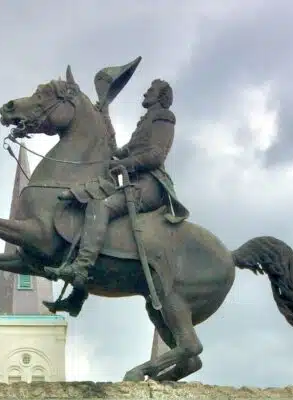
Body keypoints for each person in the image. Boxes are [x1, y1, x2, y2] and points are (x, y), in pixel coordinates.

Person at [45, 78, 189, 314]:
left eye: (151, 89)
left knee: (100, 207)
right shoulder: (145, 121)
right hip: (132, 182)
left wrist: (125, 163)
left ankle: (81, 268)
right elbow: (118, 152)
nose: (146, 92)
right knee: (84, 205)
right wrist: (105, 117)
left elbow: (155, 156)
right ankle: (78, 293)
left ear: (161, 96)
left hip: (150, 185)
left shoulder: (164, 117)